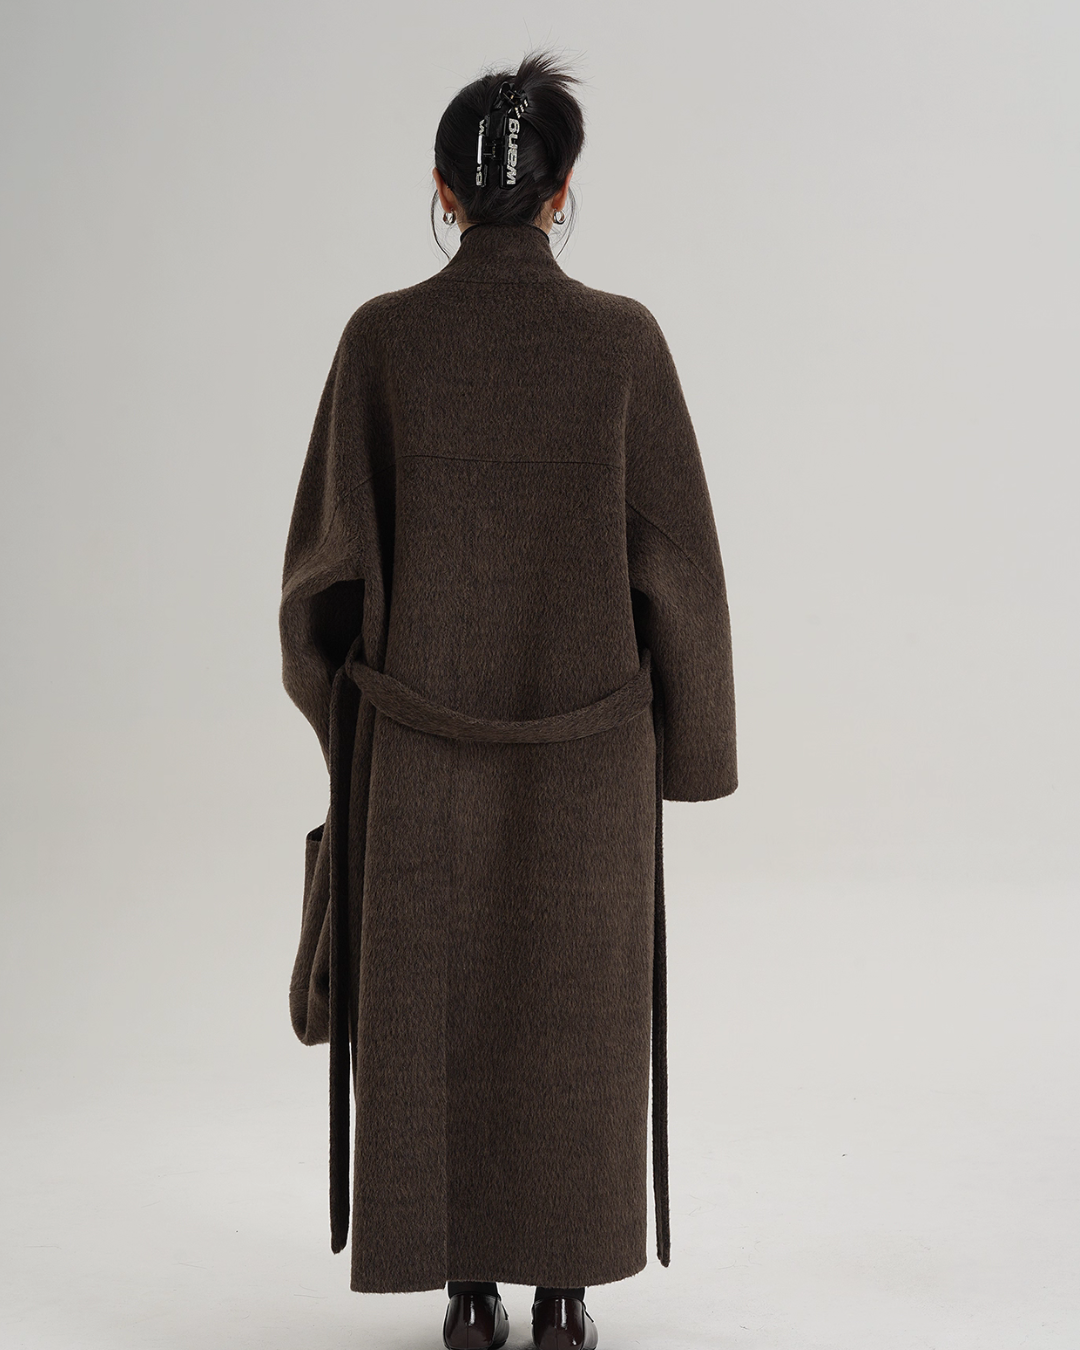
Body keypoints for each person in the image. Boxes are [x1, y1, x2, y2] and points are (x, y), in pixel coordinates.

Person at [279, 48, 737, 1350]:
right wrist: (691, 748)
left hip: (418, 755)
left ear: (441, 188)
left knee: (435, 1016)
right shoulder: (622, 343)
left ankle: (465, 1292)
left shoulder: (381, 340)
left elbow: (321, 581)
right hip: (588, 758)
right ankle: (563, 1297)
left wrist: (351, 717)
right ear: (562, 191)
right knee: (572, 1020)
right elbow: (680, 569)